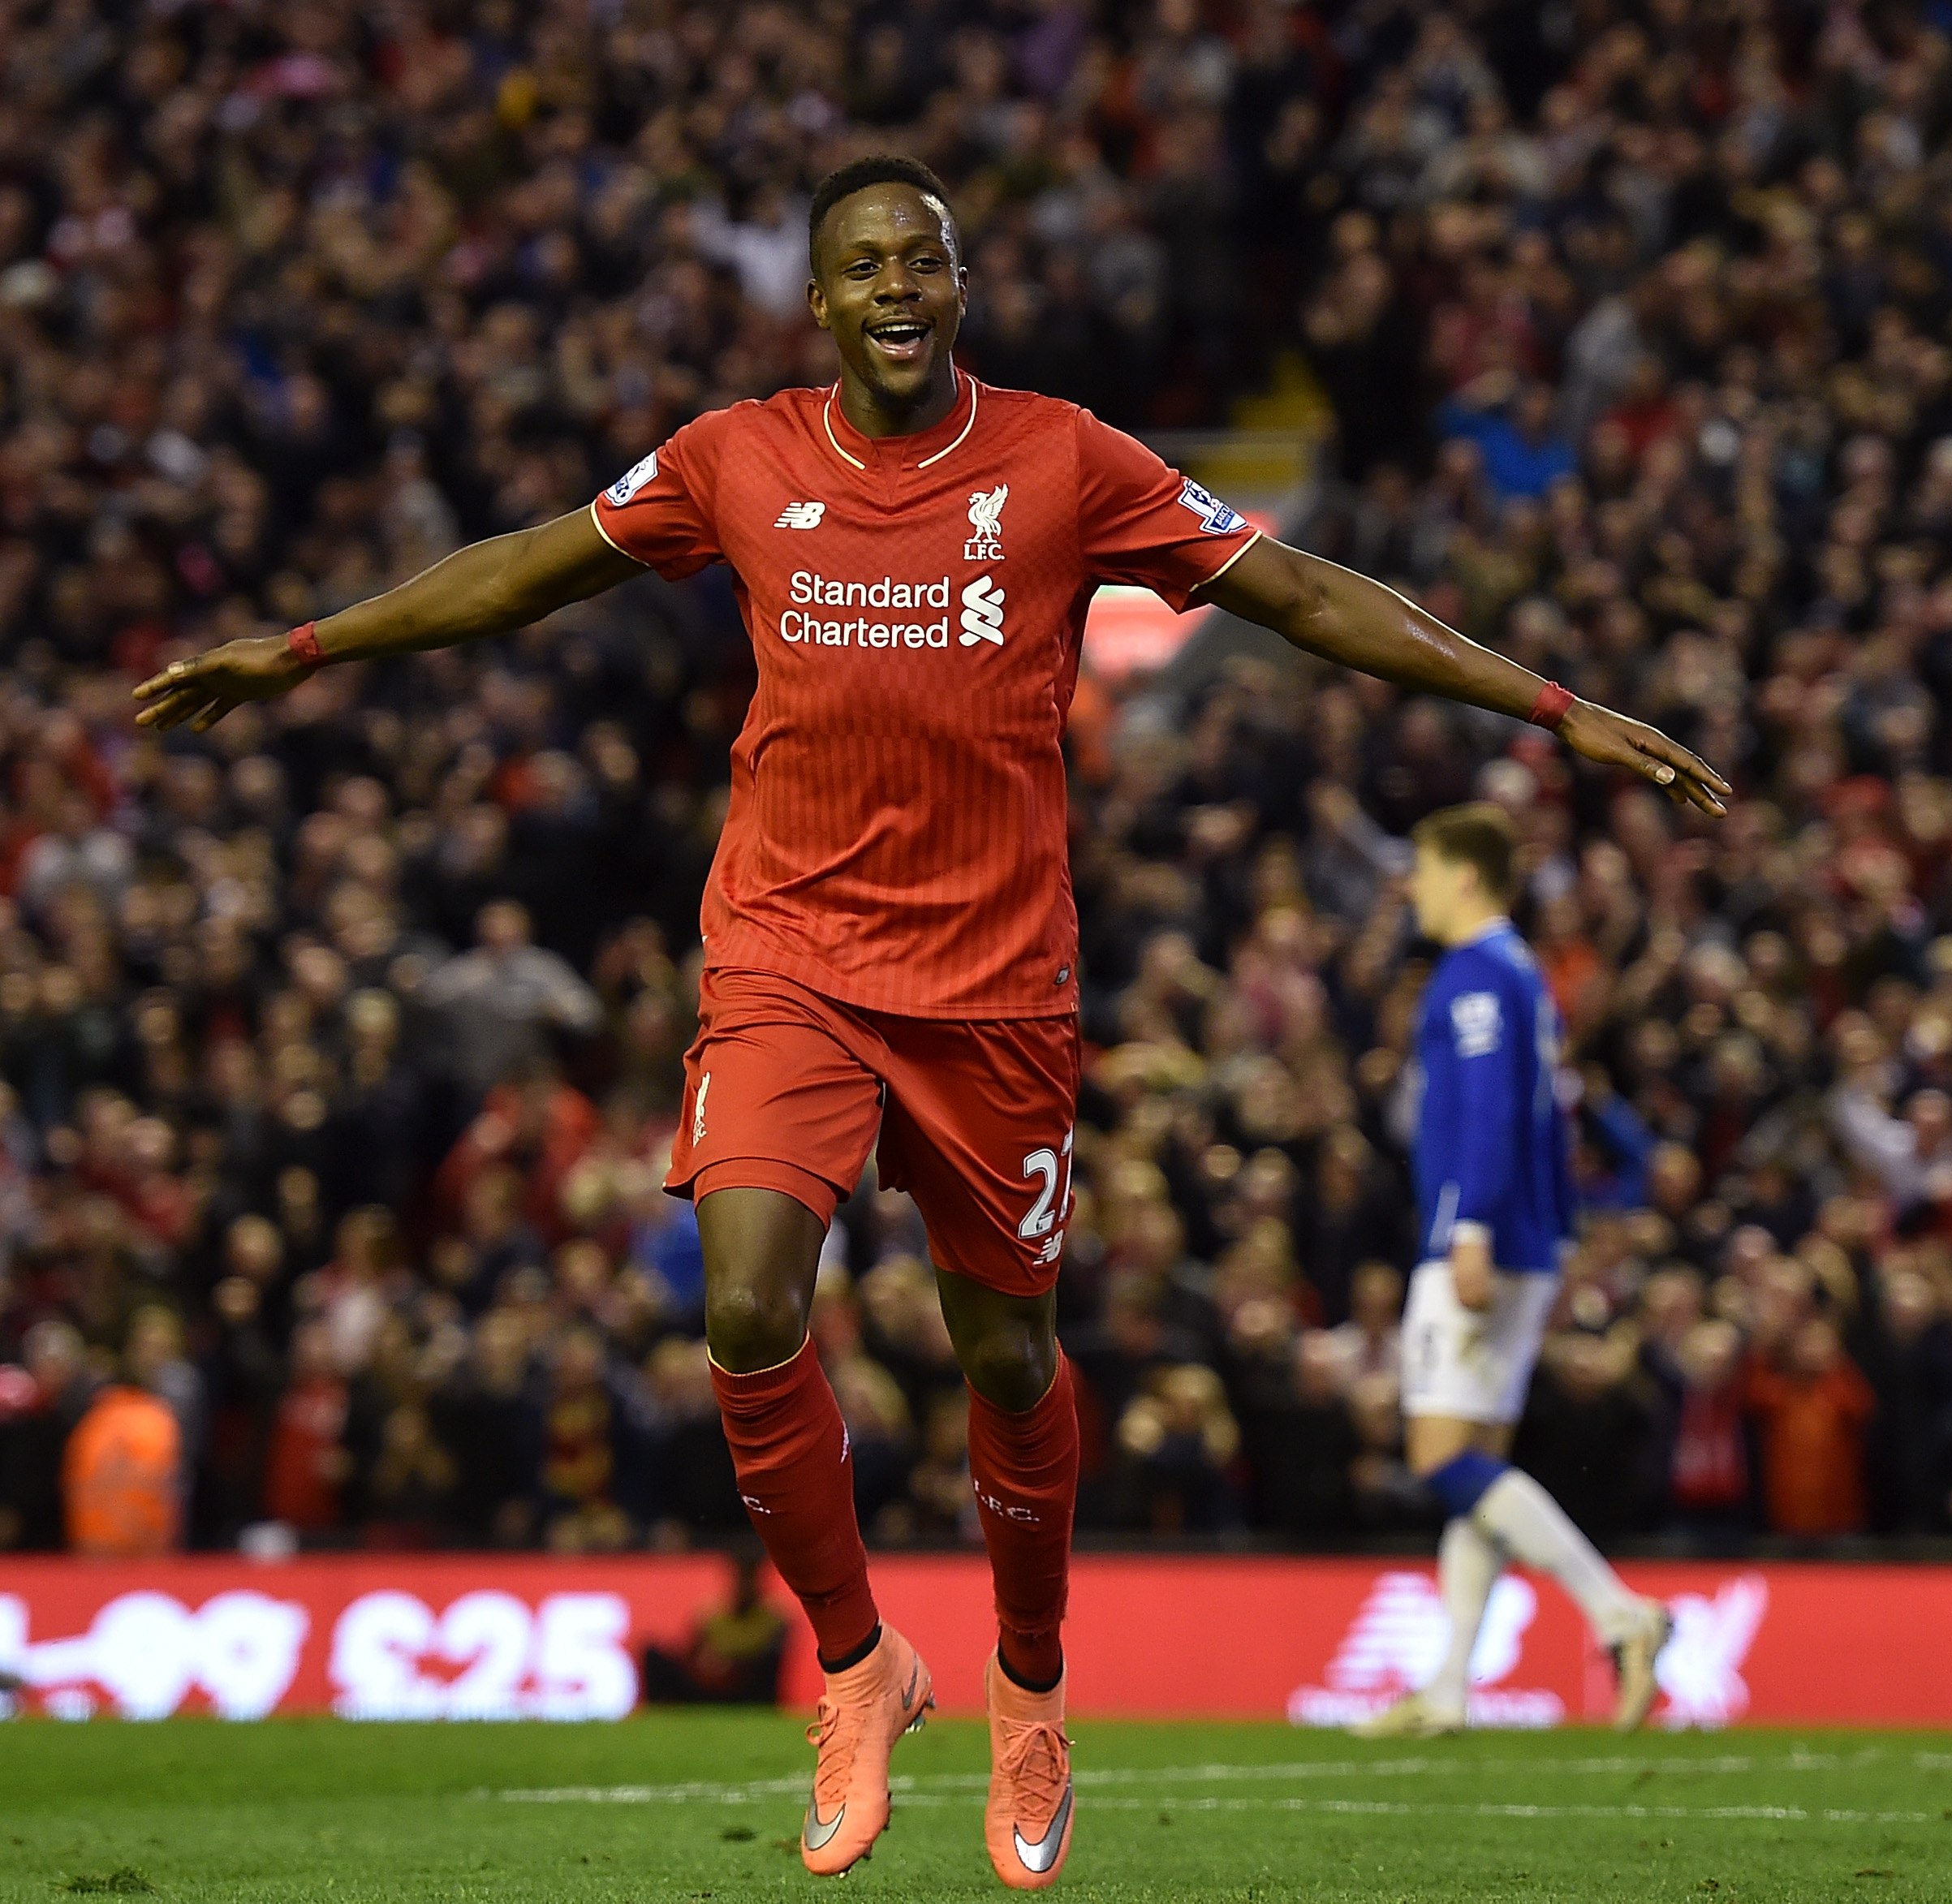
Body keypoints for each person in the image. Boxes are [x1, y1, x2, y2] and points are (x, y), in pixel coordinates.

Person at [134, 155, 1726, 1888]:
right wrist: (301, 651)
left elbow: (1309, 595)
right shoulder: (735, 455)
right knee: (747, 1306)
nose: (897, 285)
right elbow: (522, 571)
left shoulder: (1065, 461)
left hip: (992, 995)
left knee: (1008, 1362)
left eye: (925, 260)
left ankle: (1029, 1692)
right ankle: (856, 1663)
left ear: (958, 288)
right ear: (820, 304)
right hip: (788, 960)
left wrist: (1553, 707)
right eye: (864, 265)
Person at [1351, 804, 1670, 1740]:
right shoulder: (1518, 971)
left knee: (1441, 1459)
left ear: (1466, 876)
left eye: (1423, 866)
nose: (1410, 885)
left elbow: (1491, 1112)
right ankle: (1449, 1688)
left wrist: (1470, 1228)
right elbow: (1548, 1109)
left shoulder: (1477, 974)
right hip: (1524, 1231)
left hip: (1482, 1235)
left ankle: (1623, 1616)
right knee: (1477, 1467)